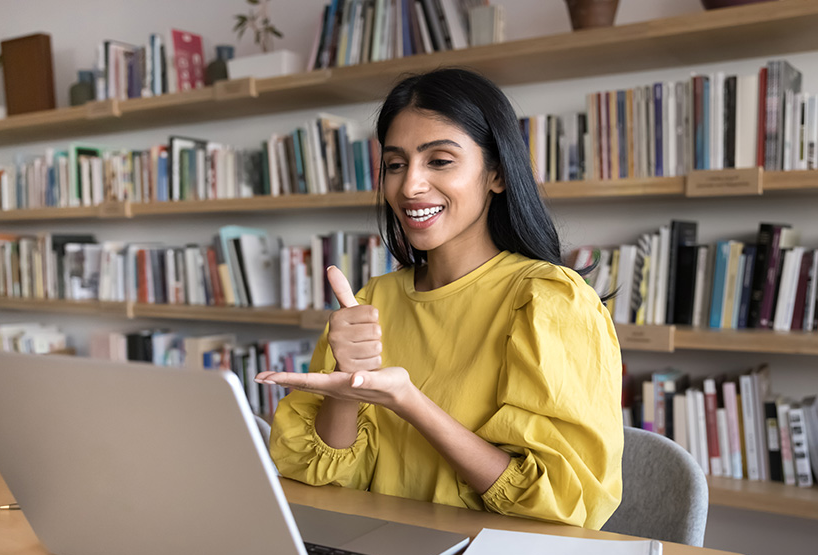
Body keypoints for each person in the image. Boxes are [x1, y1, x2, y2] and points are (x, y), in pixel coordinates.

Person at [255, 68, 622, 528]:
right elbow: (323, 484)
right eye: (395, 164)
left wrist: (409, 402)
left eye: (440, 161)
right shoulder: (370, 302)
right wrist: (347, 394)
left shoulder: (549, 301)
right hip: (377, 551)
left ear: (498, 175)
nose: (409, 186)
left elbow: (561, 504)